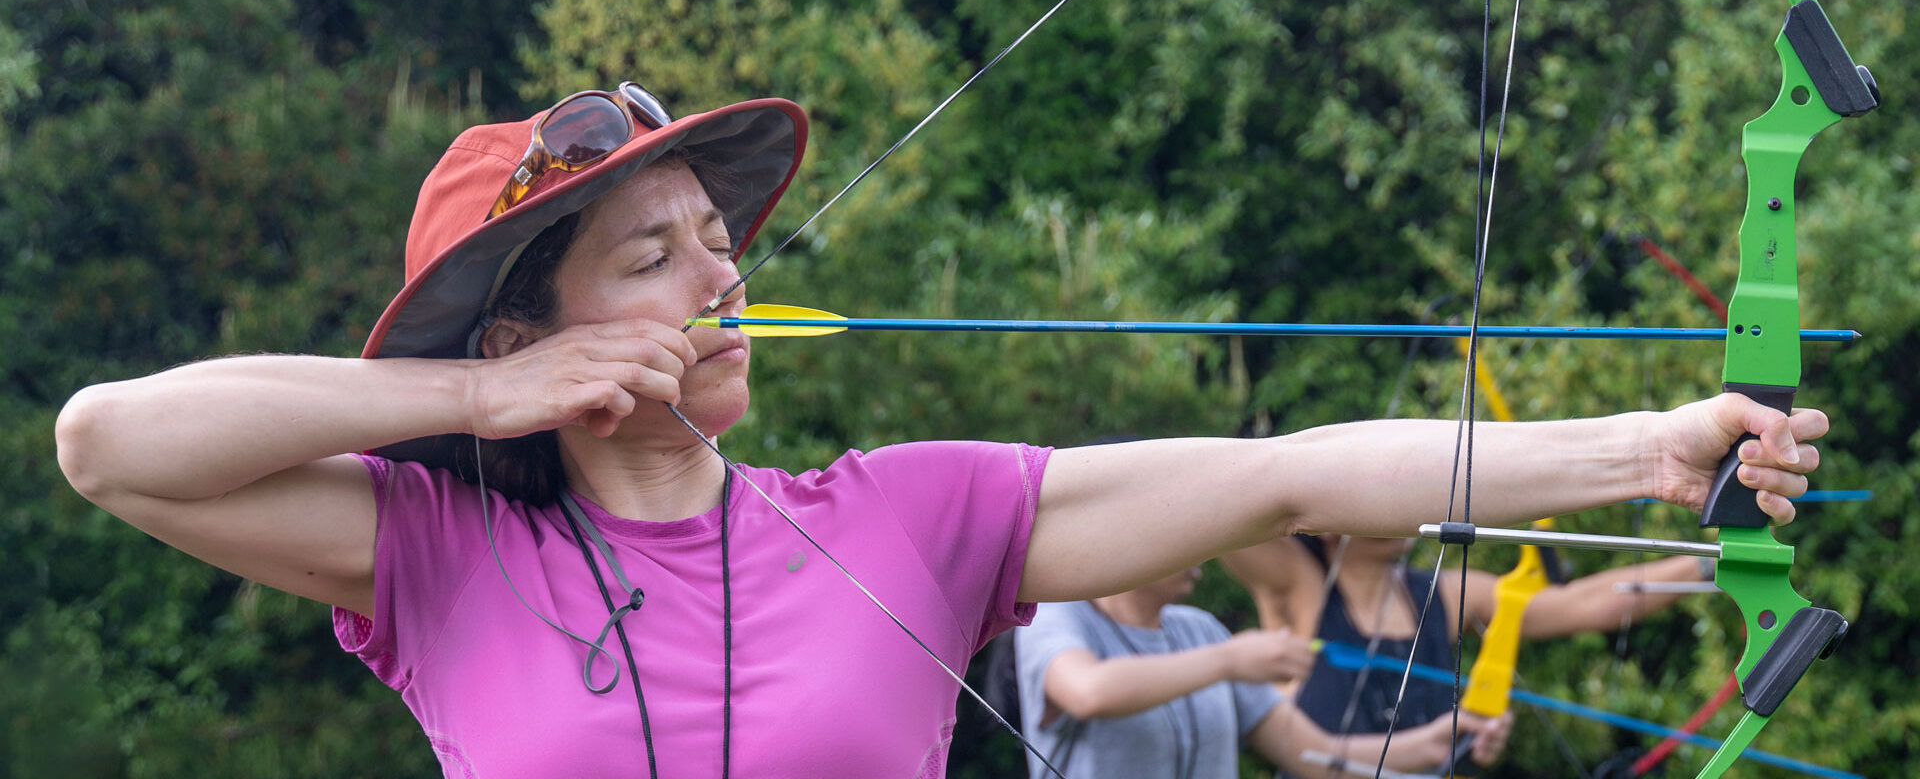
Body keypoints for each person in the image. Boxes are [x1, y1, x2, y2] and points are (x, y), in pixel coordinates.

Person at [54, 82, 1828, 777]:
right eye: (651, 257)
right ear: (531, 329)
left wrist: (1646, 449)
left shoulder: (900, 517)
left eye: (723, 243)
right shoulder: (445, 552)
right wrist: (474, 400)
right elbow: (109, 446)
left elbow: (1292, 473)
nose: (717, 276)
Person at [1220, 532, 1717, 764]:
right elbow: (1222, 517)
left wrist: (1708, 565)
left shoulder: (1444, 593)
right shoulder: (1299, 584)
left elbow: (1579, 605)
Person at [1014, 564, 1512, 779]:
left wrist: (1445, 738)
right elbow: (1089, 691)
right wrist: (1231, 661)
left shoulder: (1199, 629)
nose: (1196, 548)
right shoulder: (1056, 618)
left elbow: (1319, 758)